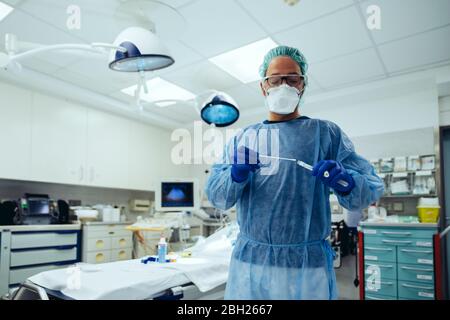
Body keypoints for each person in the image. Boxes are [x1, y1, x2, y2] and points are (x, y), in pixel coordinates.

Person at [205, 45, 384, 300]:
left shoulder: (326, 134)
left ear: (303, 84)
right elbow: (217, 196)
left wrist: (345, 182)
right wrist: (236, 175)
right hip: (252, 264)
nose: (284, 85)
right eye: (275, 80)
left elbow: (369, 189)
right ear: (263, 86)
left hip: (306, 265)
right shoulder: (244, 138)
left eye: (292, 79)